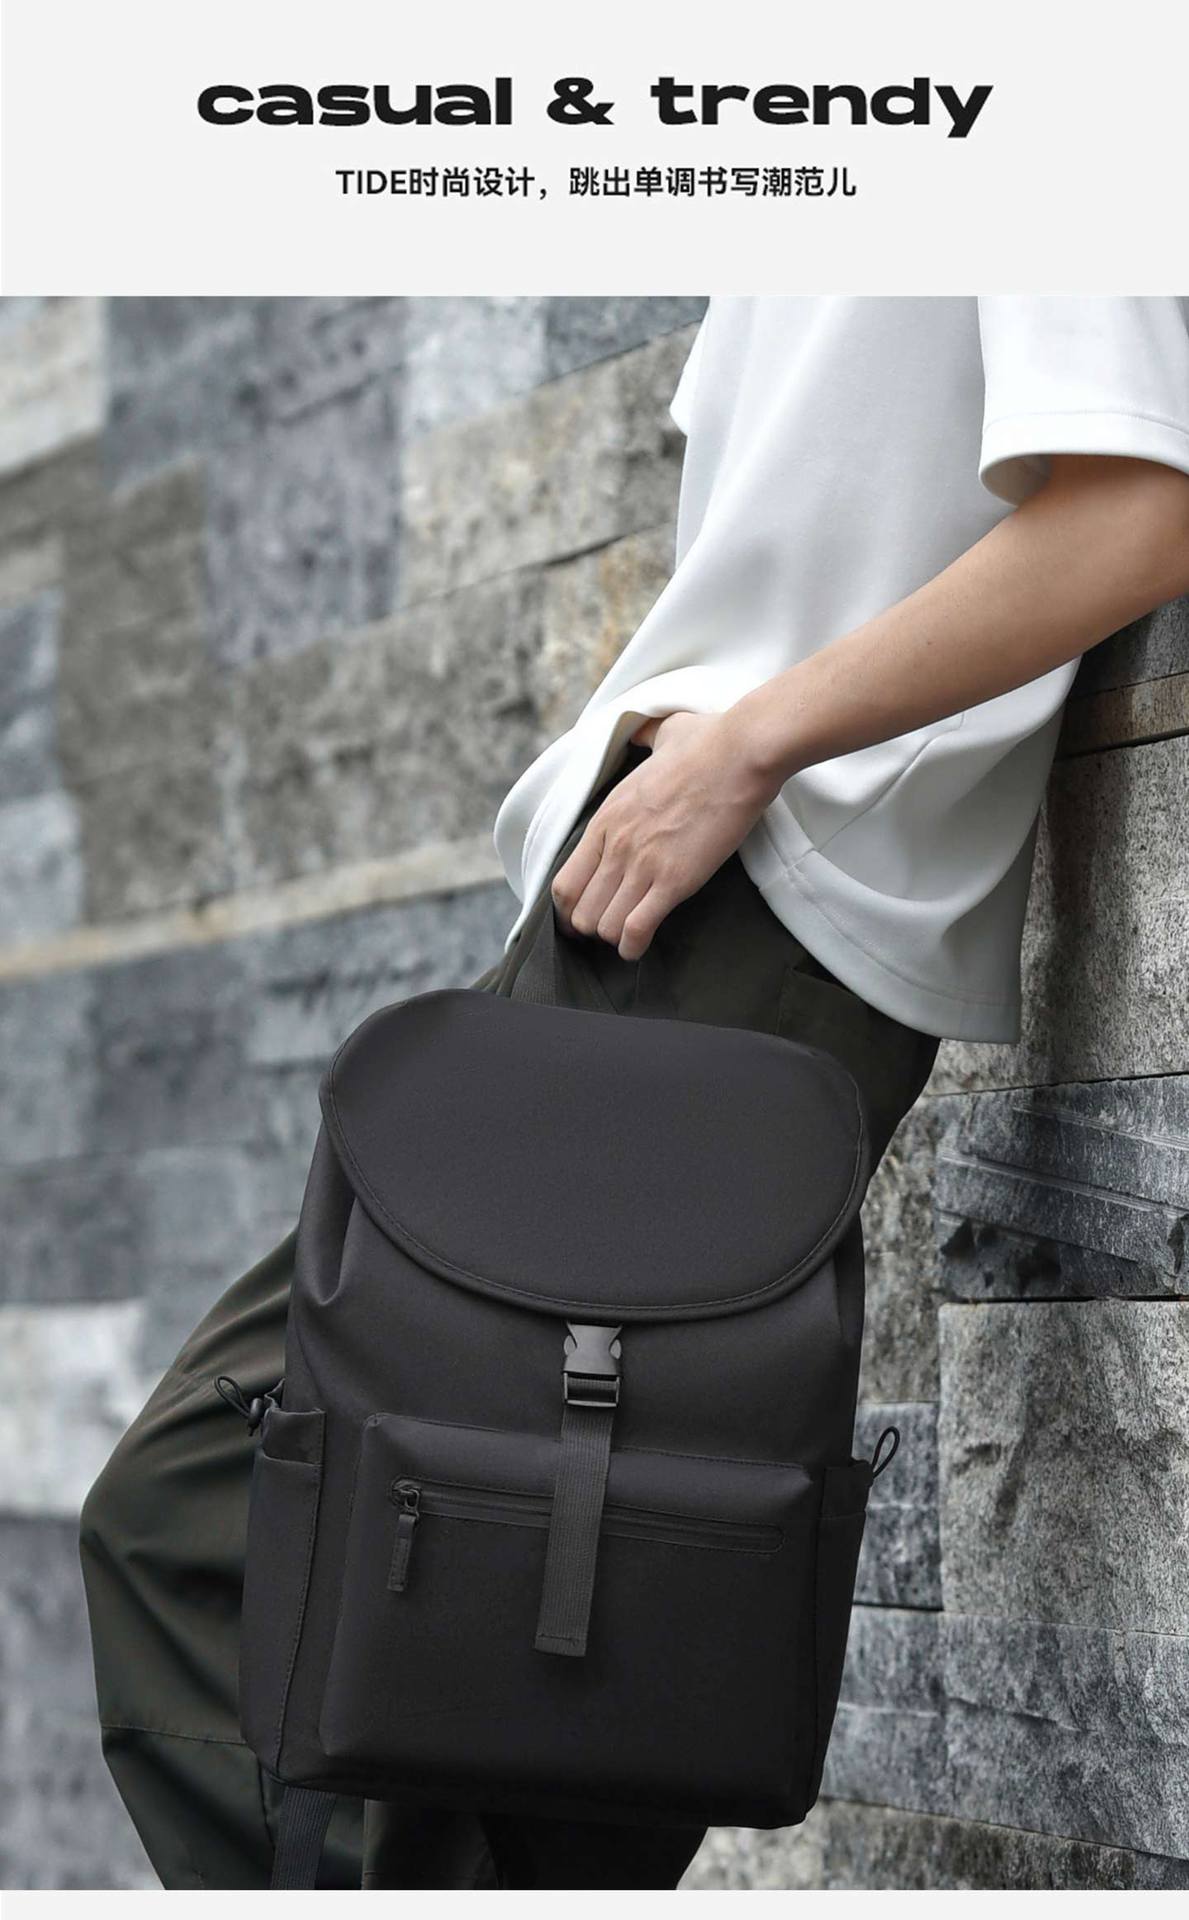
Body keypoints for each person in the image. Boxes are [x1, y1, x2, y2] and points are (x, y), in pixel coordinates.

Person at [80, 296, 1189, 1891]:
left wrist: (745, 751)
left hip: (756, 896)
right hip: (655, 896)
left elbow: (1135, 508)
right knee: (411, 1588)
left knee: (273, 1534)